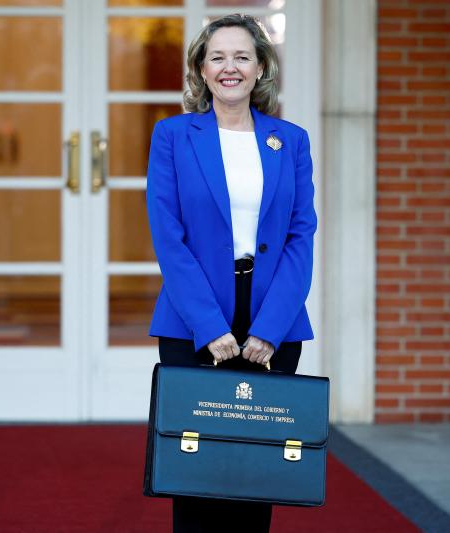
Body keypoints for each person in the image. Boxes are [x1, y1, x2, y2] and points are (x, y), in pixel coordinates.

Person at [145, 13, 317, 533]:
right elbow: (168, 237)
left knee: (254, 472)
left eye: (242, 56)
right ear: (200, 68)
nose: (230, 67)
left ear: (261, 67)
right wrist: (209, 326)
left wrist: (271, 326)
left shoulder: (291, 139)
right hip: (194, 319)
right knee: (194, 473)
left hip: (272, 319)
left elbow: (300, 235)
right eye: (217, 57)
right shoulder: (173, 136)